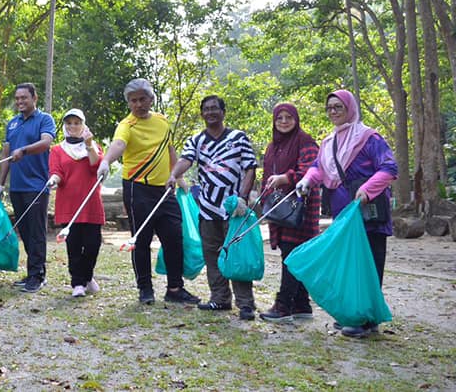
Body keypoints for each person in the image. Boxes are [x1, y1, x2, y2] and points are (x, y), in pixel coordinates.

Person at [296, 89, 397, 338]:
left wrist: (367, 189)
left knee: (369, 265)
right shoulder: (330, 142)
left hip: (368, 213)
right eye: (329, 107)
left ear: (349, 108)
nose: (333, 112)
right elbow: (319, 167)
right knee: (349, 265)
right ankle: (354, 313)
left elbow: (389, 167)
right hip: (344, 216)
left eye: (338, 107)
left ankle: (367, 320)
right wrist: (307, 180)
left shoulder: (368, 138)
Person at [97, 79, 200, 305]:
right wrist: (105, 161)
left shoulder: (162, 122)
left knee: (174, 237)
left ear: (151, 99)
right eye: (133, 101)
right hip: (137, 188)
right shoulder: (126, 125)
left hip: (164, 189)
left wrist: (178, 175)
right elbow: (119, 145)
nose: (138, 104)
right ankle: (145, 288)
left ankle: (174, 288)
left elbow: (170, 149)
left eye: (142, 99)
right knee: (141, 240)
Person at [169, 95, 258, 320]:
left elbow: (250, 168)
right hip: (207, 208)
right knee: (212, 255)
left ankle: (246, 304)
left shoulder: (238, 138)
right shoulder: (196, 140)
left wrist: (243, 197)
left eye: (214, 108)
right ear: (202, 114)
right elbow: (186, 160)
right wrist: (174, 174)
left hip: (234, 208)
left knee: (236, 254)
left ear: (223, 112)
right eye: (206, 109)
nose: (210, 112)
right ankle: (220, 299)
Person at [258, 103, 321, 322]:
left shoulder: (305, 140)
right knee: (294, 254)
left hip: (300, 208)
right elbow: (267, 173)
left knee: (291, 254)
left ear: (296, 119)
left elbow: (313, 168)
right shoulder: (272, 146)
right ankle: (302, 305)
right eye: (279, 118)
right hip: (279, 207)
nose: (284, 122)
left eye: (288, 117)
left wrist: (286, 178)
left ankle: (283, 306)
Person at [0, 83, 56, 294]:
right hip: (17, 187)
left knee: (37, 232)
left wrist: (24, 150)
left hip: (37, 186)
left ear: (34, 98)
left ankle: (37, 276)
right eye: (17, 98)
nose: (20, 101)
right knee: (26, 231)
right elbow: (6, 156)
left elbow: (46, 142)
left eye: (24, 98)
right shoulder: (12, 123)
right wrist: (1, 184)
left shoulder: (44, 119)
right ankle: (33, 273)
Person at [50, 109, 104, 298]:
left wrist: (88, 144)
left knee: (93, 244)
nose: (73, 127)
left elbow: (96, 167)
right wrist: (53, 180)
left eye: (77, 123)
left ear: (83, 125)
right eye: (69, 123)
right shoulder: (57, 149)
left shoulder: (94, 146)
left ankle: (87, 276)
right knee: (73, 245)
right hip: (69, 204)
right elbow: (57, 171)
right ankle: (78, 283)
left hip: (91, 202)